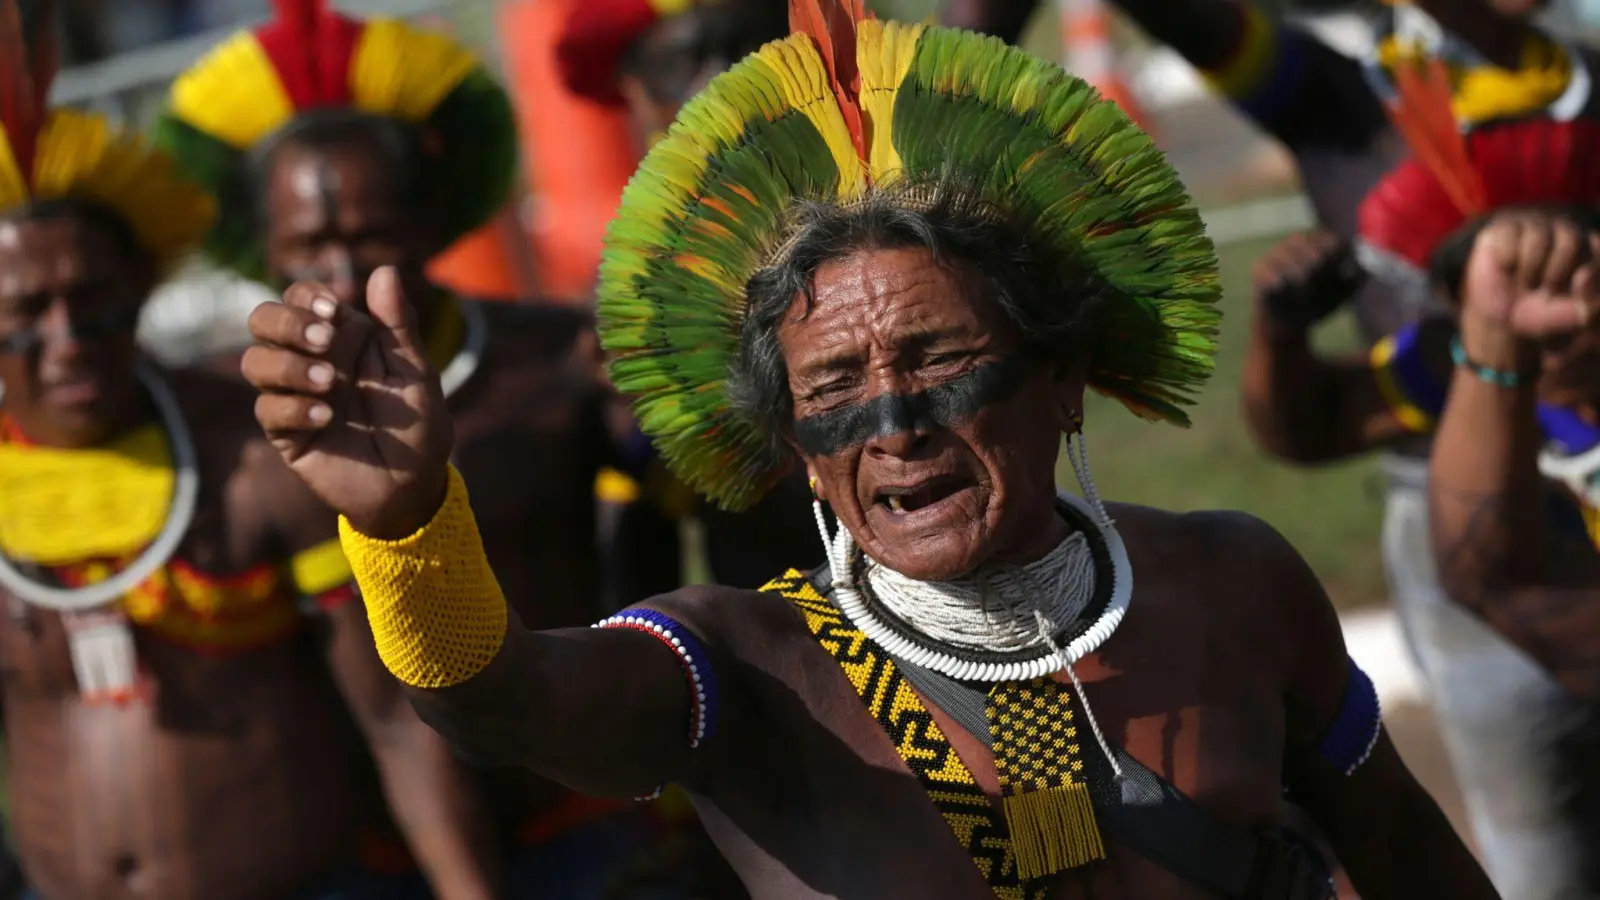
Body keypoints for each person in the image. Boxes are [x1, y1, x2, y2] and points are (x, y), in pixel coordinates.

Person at [240, 5, 1498, 897]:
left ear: (1063, 379)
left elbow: (1409, 860)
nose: (892, 425)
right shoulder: (744, 674)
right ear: (792, 443)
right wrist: (409, 529)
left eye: (940, 364)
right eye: (833, 385)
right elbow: (498, 702)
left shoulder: (1235, 583)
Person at [154, 1, 709, 895]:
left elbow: (681, 524)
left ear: (430, 220)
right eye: (310, 245)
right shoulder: (238, 419)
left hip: (598, 816)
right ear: (266, 248)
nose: (339, 274)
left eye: (369, 236)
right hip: (390, 853)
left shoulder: (556, 358)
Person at [0, 5, 499, 899]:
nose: (66, 337)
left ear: (143, 285)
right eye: (23, 316)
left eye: (90, 298)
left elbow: (395, 723)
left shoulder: (259, 456)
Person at [557, 0, 819, 607]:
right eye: (685, 61)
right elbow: (641, 542)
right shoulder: (638, 300)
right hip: (805, 634)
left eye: (745, 45)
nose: (724, 78)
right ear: (637, 91)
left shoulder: (891, 189)